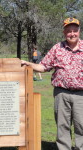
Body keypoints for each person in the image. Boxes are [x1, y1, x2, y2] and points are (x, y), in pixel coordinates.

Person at [21, 17, 83, 150]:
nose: (72, 34)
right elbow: (43, 67)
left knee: (81, 126)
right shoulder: (57, 48)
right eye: (69, 31)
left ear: (79, 31)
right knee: (62, 127)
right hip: (61, 94)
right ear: (64, 32)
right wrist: (28, 64)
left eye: (75, 30)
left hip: (81, 95)